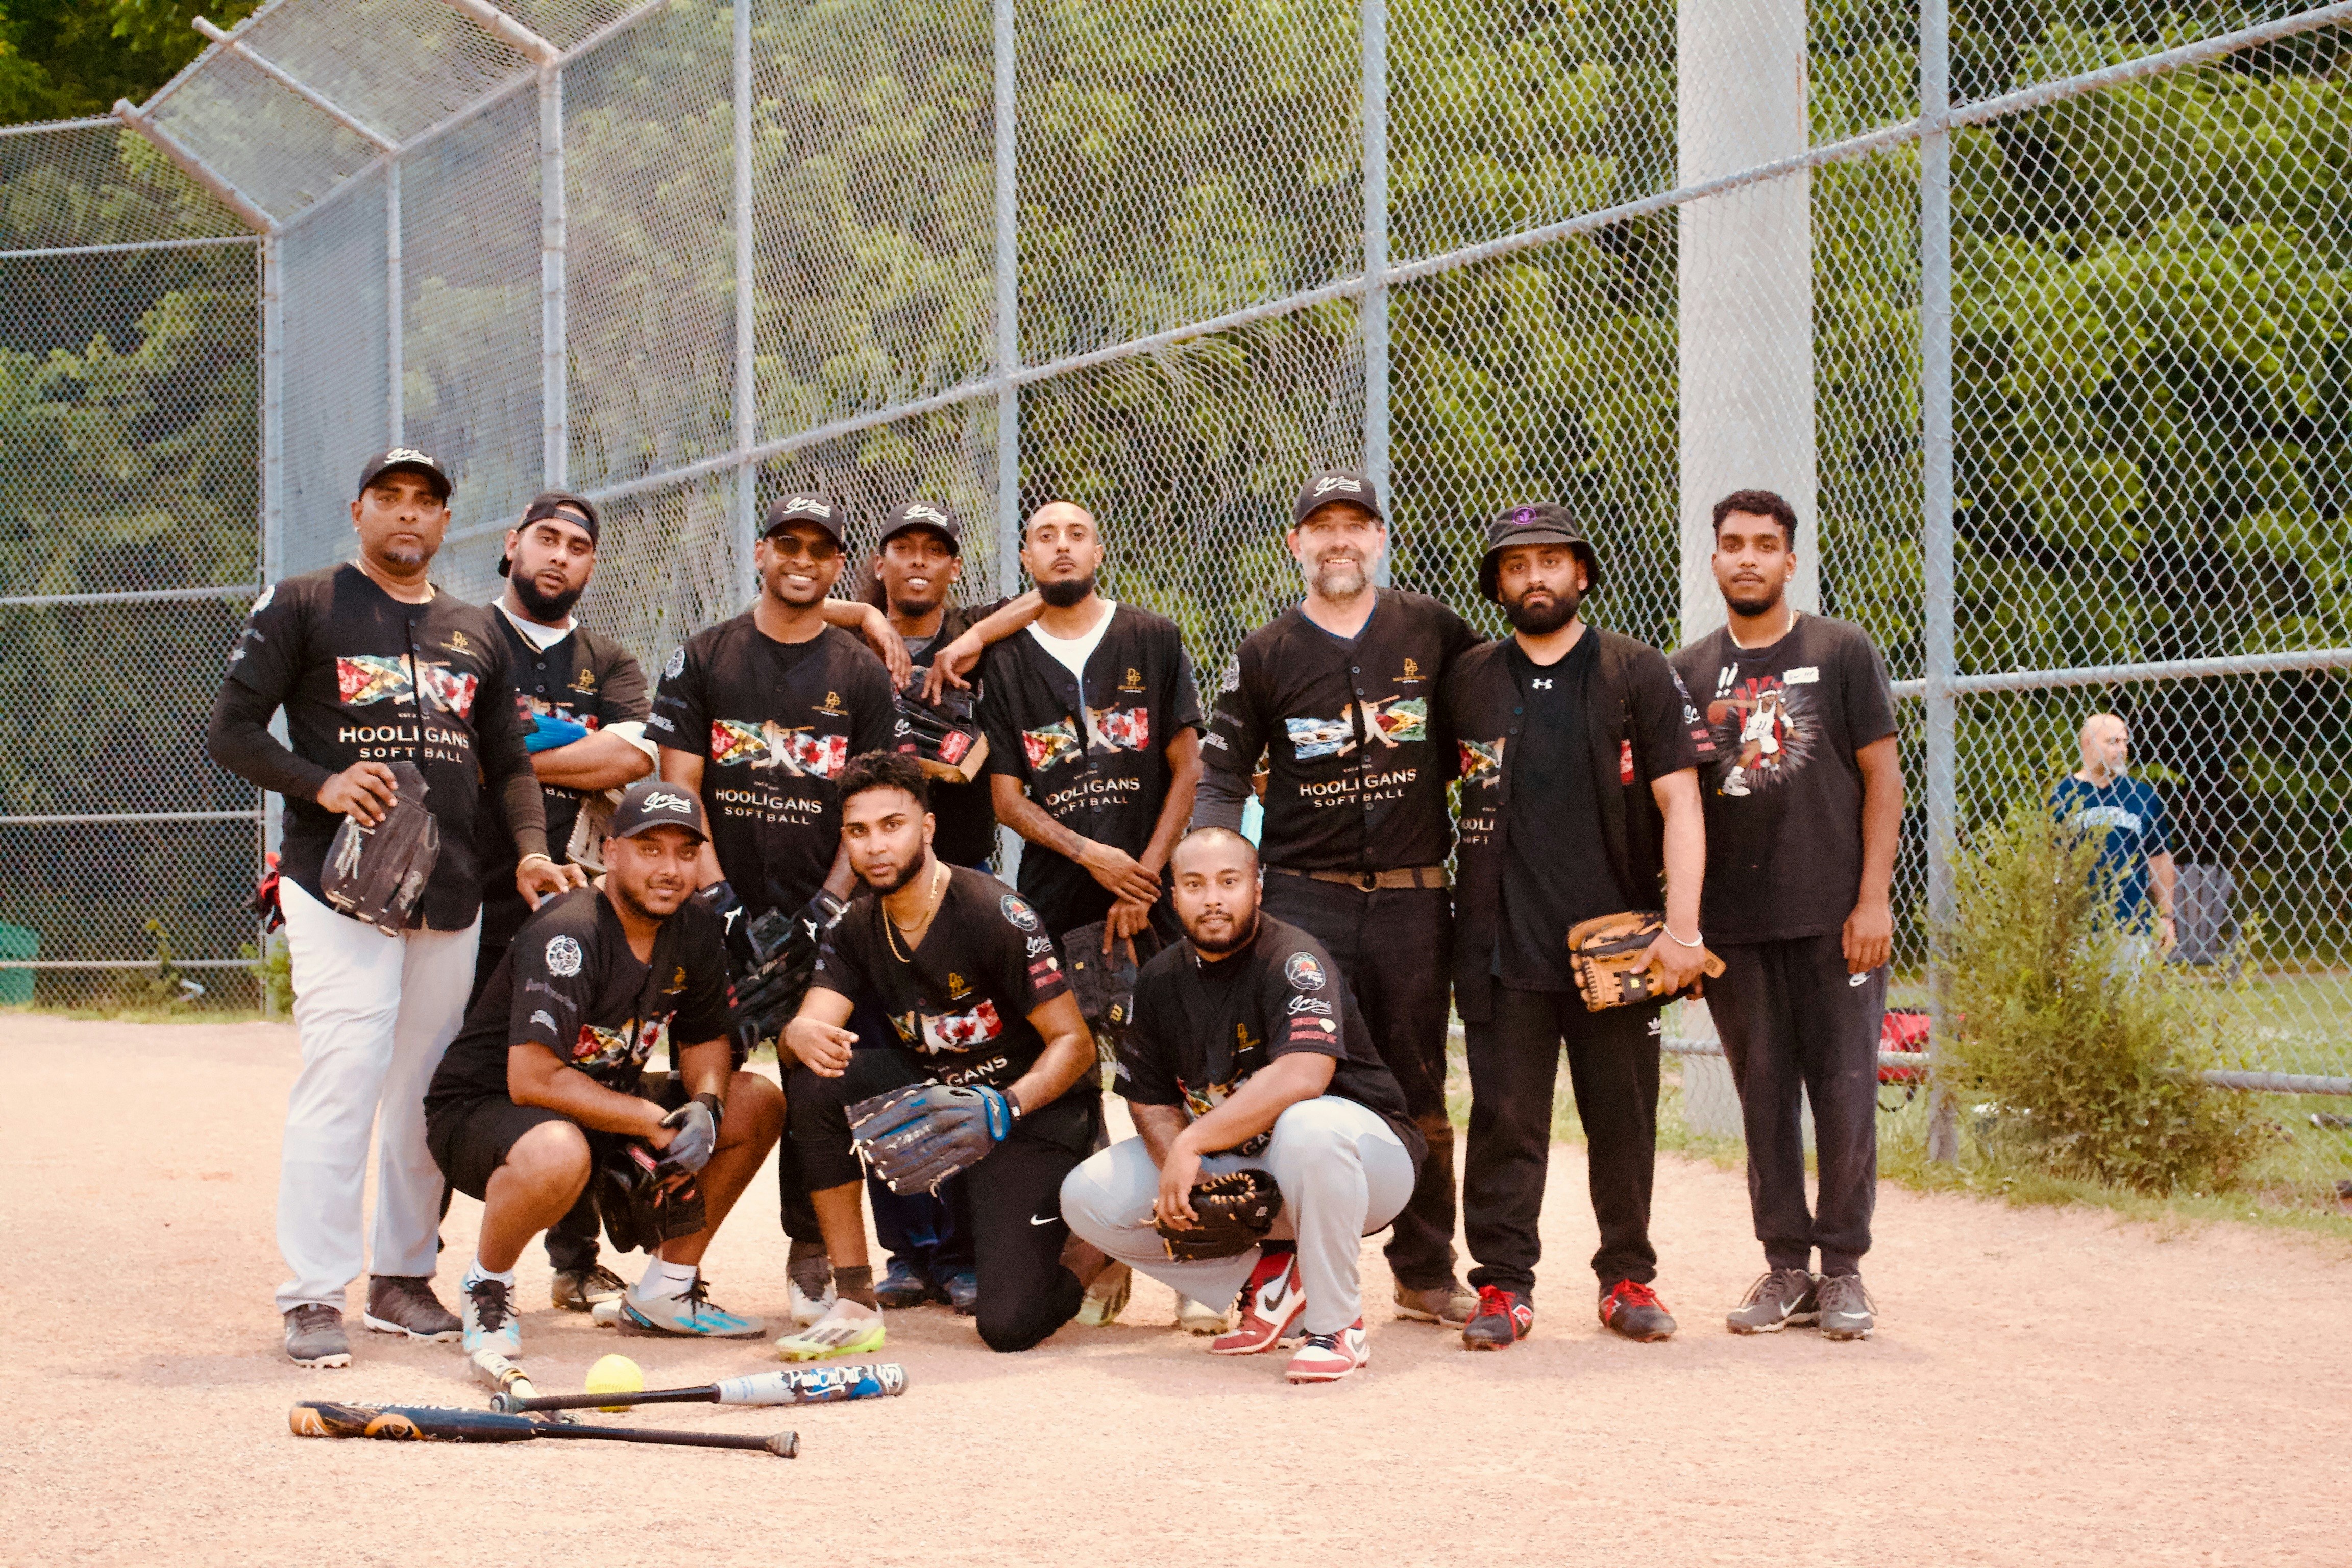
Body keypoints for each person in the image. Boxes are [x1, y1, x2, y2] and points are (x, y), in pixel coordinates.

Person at [206, 447, 576, 1368]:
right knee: (344, 1070)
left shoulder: (471, 630)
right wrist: (322, 783)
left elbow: (513, 764)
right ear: (359, 508)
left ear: (447, 523)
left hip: (450, 891)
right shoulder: (304, 602)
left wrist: (531, 852)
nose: (408, 515)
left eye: (426, 502)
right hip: (339, 884)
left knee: (424, 1085)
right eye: (390, 498)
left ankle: (404, 1277)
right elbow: (233, 731)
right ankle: (312, 1292)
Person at [1193, 468, 1482, 1327]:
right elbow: (1219, 770)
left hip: (1411, 896)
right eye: (1321, 527)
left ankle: (1426, 1268)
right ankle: (1280, 1271)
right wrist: (1216, 863)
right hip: (1302, 900)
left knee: (1418, 1085)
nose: (1338, 539)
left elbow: (1488, 729)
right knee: (1291, 1083)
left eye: (1354, 524)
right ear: (1297, 545)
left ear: (1379, 538)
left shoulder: (1431, 630)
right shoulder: (1267, 651)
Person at [1442, 504, 1708, 1350]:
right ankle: (1502, 1288)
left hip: (1619, 948)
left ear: (1581, 573)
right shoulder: (1469, 679)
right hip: (1500, 944)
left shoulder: (1636, 670)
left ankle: (1626, 1275)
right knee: (1503, 1121)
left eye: (1551, 561)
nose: (1535, 578)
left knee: (1622, 1118)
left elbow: (1680, 802)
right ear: (1496, 585)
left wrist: (1685, 930)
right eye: (1516, 566)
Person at [648, 493, 900, 1328]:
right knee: (709, 1088)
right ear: (761, 552)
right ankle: (671, 1264)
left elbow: (869, 798)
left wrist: (831, 904)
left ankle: (811, 1248)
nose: (801, 559)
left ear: (837, 566)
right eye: (786, 543)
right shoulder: (707, 655)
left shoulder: (857, 672)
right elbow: (679, 786)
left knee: (815, 1085)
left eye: (819, 549)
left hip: (815, 920)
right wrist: (718, 900)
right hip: (716, 917)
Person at [424, 780, 786, 1354]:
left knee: (755, 1100)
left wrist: (706, 1106)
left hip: (596, 1104)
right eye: (651, 849)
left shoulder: (693, 925)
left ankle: (667, 1292)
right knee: (558, 1150)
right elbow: (533, 1077)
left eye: (686, 853)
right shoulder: (570, 931)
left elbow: (706, 1036)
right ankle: (487, 1285)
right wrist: (647, 1119)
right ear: (611, 851)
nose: (670, 869)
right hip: (488, 1112)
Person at [1059, 828, 1424, 1383]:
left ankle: (1338, 1324)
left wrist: (1193, 1142)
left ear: (1257, 888)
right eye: (1194, 884)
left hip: (1366, 1164)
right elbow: (1151, 1100)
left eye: (1229, 882)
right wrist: (1181, 1169)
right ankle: (1272, 1279)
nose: (1212, 899)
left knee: (1309, 1123)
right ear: (1172, 895)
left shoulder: (1294, 958)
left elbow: (1305, 1073)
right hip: (1254, 1168)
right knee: (1088, 1196)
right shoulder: (1159, 980)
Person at [1668, 488, 1904, 1342]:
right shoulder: (1688, 673)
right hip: (1736, 927)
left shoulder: (1839, 650)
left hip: (1836, 918)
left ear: (1789, 559)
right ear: (1713, 557)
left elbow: (1884, 780)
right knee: (1761, 1099)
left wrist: (1871, 896)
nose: (1746, 559)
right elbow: (1676, 807)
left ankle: (1841, 1269)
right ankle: (1785, 1268)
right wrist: (1684, 930)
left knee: (1843, 1097)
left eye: (1764, 545)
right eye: (1731, 544)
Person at [777, 752, 1106, 1357]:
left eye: (892, 825)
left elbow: (1075, 1043)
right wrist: (796, 1033)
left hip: (1028, 1109)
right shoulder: (854, 925)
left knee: (1007, 1327)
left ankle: (1097, 1250)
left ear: (927, 828)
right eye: (859, 830)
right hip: (943, 1094)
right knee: (815, 1078)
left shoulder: (992, 913)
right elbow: (813, 1027)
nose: (876, 846)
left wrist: (1004, 1107)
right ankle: (854, 1298)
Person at [472, 490, 659, 1316]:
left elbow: (630, 756)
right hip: (471, 892)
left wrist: (504, 758)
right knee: (462, 1072)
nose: (558, 555)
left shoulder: (608, 660)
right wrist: (564, 752)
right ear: (511, 545)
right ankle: (419, 1266)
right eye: (544, 538)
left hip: (575, 899)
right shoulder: (466, 636)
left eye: (576, 545)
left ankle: (574, 1259)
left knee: (573, 1066)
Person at [850, 498, 1032, 1313]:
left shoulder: (982, 632)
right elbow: (785, 596)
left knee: (965, 1058)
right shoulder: (850, 633)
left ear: (955, 567)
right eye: (903, 549)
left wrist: (974, 637)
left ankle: (960, 1250)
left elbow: (1056, 593)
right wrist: (861, 613)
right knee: (883, 1066)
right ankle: (905, 1253)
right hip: (874, 885)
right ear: (880, 562)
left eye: (936, 550)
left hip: (961, 883)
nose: (919, 561)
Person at [2051, 713, 2176, 958]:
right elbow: (2043, 861)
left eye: (2125, 742)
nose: (2122, 749)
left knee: (2129, 995)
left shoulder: (2142, 796)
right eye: (2112, 742)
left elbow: (2159, 859)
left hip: (2131, 925)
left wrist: (2166, 916)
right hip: (2075, 926)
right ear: (2088, 743)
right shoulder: (2061, 796)